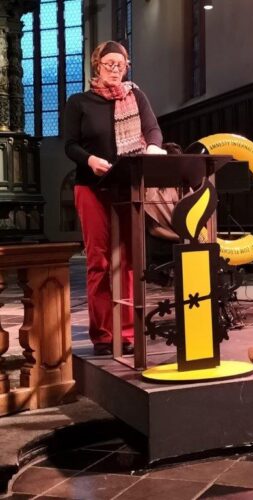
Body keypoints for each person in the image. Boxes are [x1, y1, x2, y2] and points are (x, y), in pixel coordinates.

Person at [64, 40, 166, 355]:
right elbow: (70, 144)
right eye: (108, 63)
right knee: (100, 262)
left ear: (126, 66)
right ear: (97, 65)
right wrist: (90, 160)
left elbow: (153, 131)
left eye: (119, 64)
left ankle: (128, 330)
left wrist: (151, 149)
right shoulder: (80, 101)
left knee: (129, 260)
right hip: (92, 188)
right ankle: (104, 335)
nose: (114, 69)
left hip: (127, 188)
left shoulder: (136, 97)